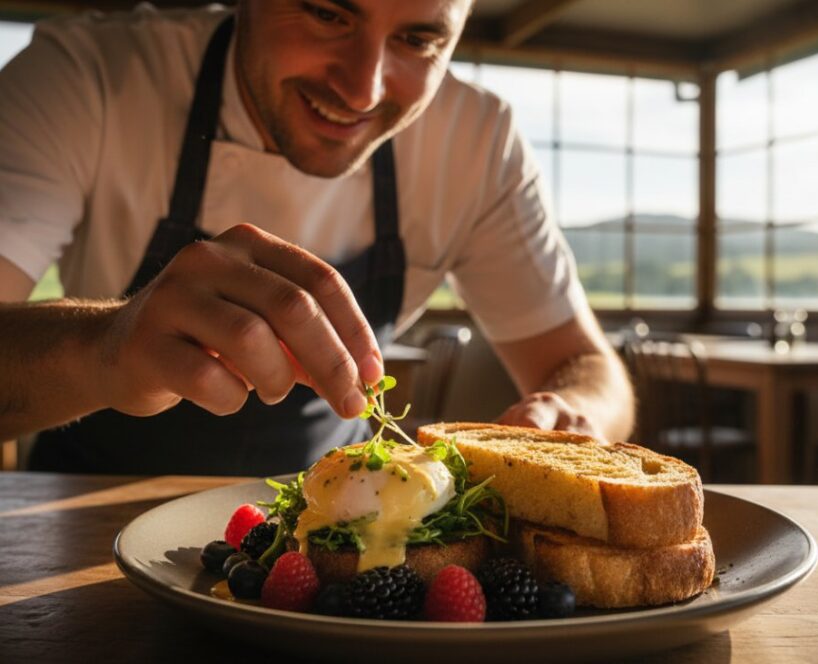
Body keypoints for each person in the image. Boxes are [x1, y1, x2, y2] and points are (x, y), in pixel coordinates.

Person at [0, 0, 634, 475]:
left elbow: (587, 369)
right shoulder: (87, 78)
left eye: (417, 39)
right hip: (76, 528)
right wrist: (103, 345)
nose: (363, 90)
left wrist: (572, 415)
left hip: (333, 544)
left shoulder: (476, 142)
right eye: (329, 14)